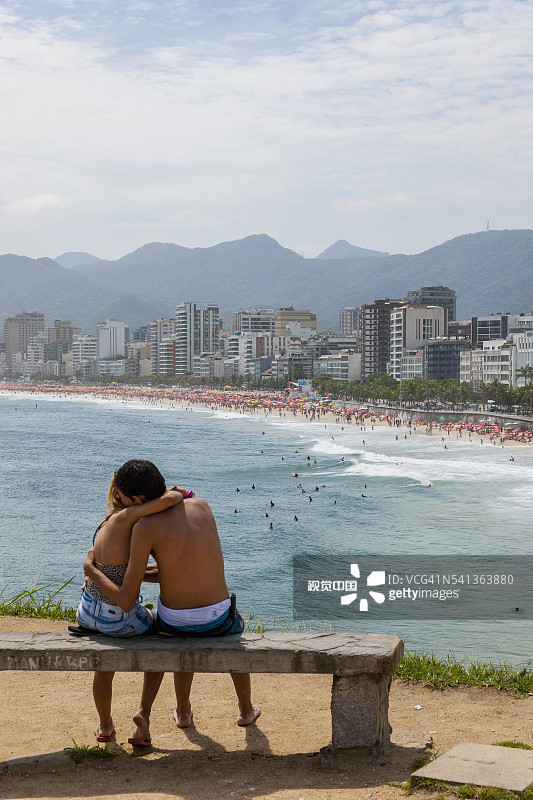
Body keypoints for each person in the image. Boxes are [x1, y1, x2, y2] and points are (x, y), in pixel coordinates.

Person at [84, 472, 260, 747]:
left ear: (133, 497)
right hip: (219, 623)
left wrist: (96, 571)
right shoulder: (202, 505)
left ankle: (180, 712)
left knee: (171, 630)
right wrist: (184, 492)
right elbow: (180, 560)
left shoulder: (143, 525)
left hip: (173, 625)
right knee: (235, 633)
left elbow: (135, 582)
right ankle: (246, 710)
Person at [76, 460, 186, 742]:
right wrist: (91, 571)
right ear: (128, 498)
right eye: (142, 501)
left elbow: (123, 571)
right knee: (162, 634)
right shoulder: (128, 518)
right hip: (116, 616)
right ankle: (143, 714)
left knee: (104, 666)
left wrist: (93, 569)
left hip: (87, 613)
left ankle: (105, 726)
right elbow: (175, 497)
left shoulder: (108, 523)